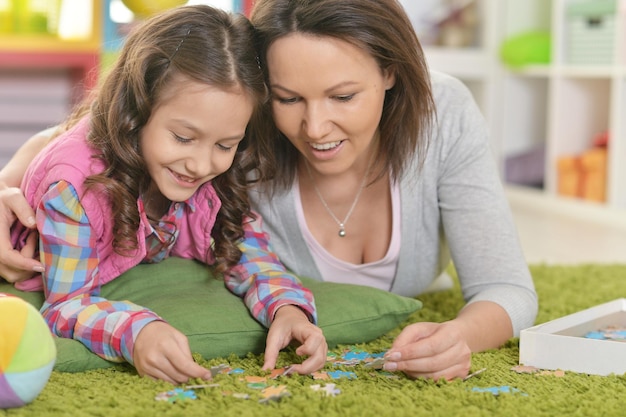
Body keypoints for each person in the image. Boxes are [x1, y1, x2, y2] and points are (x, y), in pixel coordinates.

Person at [0, 0, 537, 381]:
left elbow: (242, 248)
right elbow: (96, 135)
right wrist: (10, 179)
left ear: (391, 73)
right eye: (288, 98)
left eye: (344, 95)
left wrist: (289, 309)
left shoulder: (223, 151)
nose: (316, 128)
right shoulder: (234, 132)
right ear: (265, 95)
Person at [1, 5, 326, 385]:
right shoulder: (73, 190)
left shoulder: (211, 168)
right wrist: (136, 331)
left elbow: (243, 246)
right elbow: (65, 305)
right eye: (183, 138)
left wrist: (287, 308)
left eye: (225, 144)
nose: (201, 164)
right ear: (136, 112)